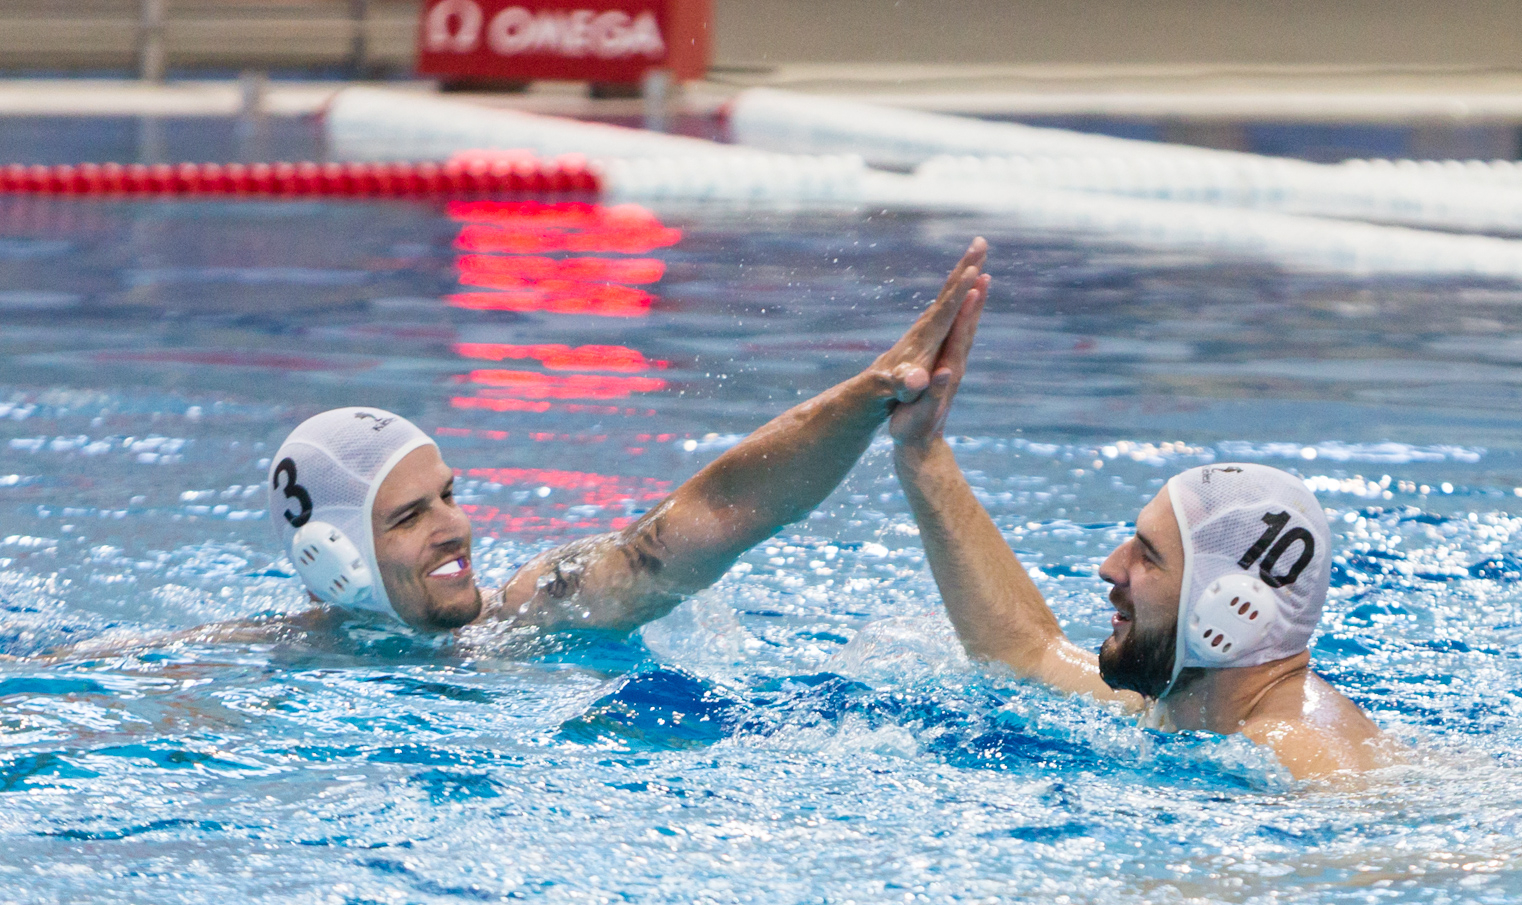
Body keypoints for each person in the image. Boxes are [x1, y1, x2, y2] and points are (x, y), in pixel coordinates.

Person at [261, 239, 990, 642]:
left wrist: (868, 397)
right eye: (409, 515)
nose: (455, 527)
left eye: (448, 495)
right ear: (333, 555)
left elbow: (717, 514)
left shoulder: (538, 611)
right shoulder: (260, 658)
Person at [886, 270, 1393, 780]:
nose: (1110, 567)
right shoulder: (1189, 696)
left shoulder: (1300, 754)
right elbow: (1028, 654)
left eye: (1148, 556)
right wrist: (922, 450)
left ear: (1230, 608)